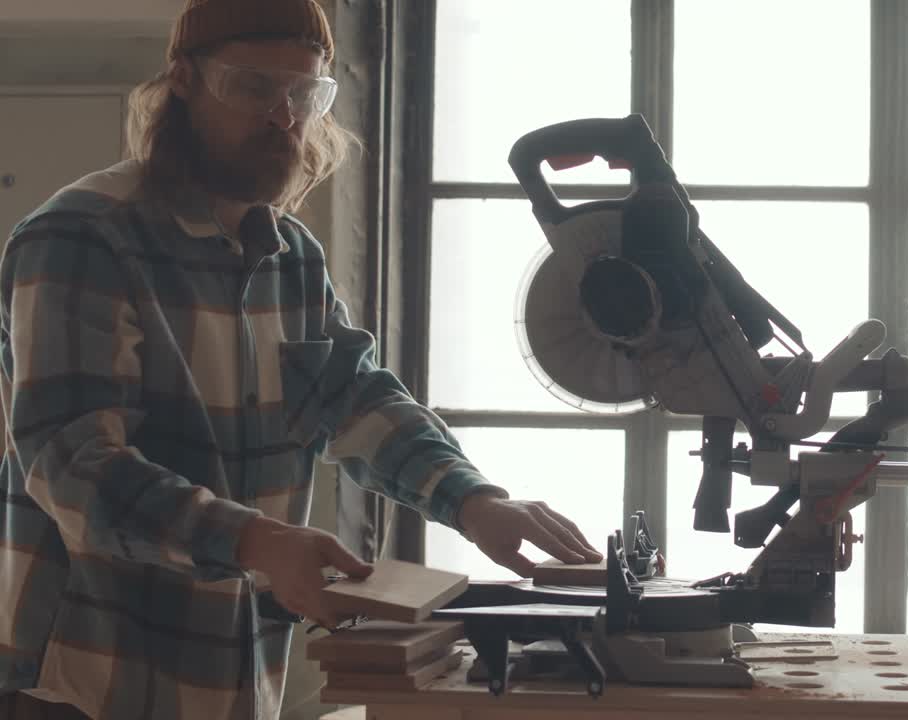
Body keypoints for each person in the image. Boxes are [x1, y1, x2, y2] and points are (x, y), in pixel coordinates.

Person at [0, 1, 601, 718]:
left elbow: (352, 397)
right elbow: (69, 464)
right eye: (253, 88)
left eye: (305, 94)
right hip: (81, 684)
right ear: (183, 82)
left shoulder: (291, 254)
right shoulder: (83, 236)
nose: (285, 118)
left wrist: (473, 501)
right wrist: (256, 540)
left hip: (233, 680)